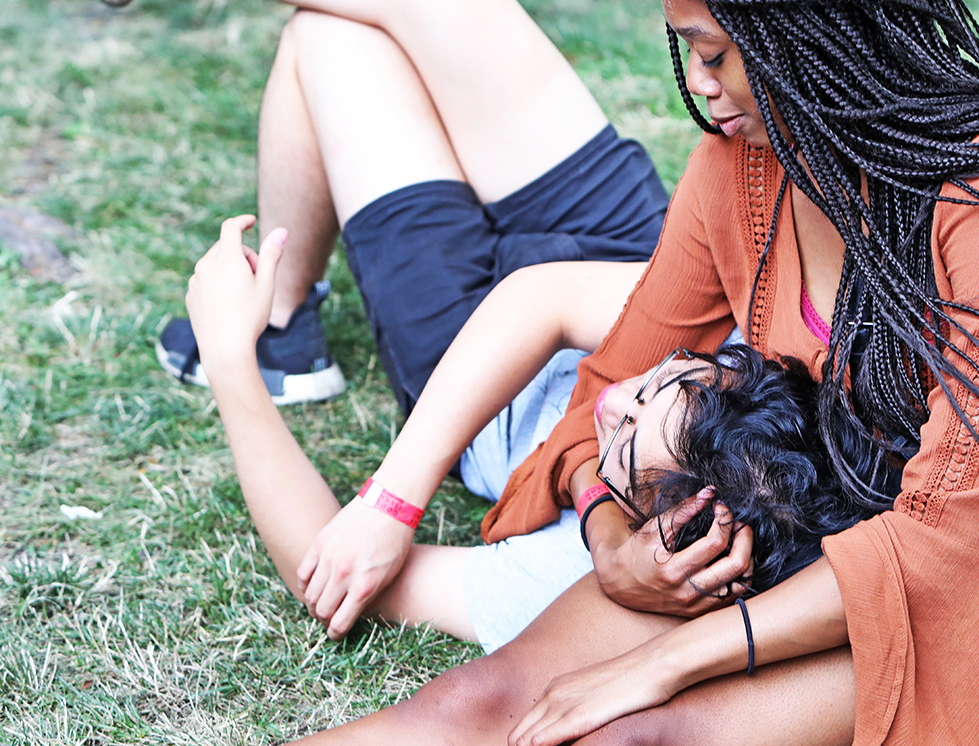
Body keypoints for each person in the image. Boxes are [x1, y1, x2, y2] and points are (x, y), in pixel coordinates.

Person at [7, 0, 979, 746]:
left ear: (806, 39)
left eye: (714, 54)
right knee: (477, 710)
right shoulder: (744, 165)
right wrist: (605, 535)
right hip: (759, 525)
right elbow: (608, 377)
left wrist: (660, 664)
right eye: (685, 49)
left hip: (898, 575)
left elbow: (939, 541)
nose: (697, 88)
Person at [184, 219, 876, 651]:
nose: (610, 396)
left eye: (622, 444)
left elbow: (331, 570)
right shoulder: (755, 371)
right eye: (660, 376)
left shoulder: (563, 576)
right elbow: (551, 297)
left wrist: (229, 360)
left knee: (332, 48)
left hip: (465, 355)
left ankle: (280, 319)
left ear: (664, 536)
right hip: (611, 244)